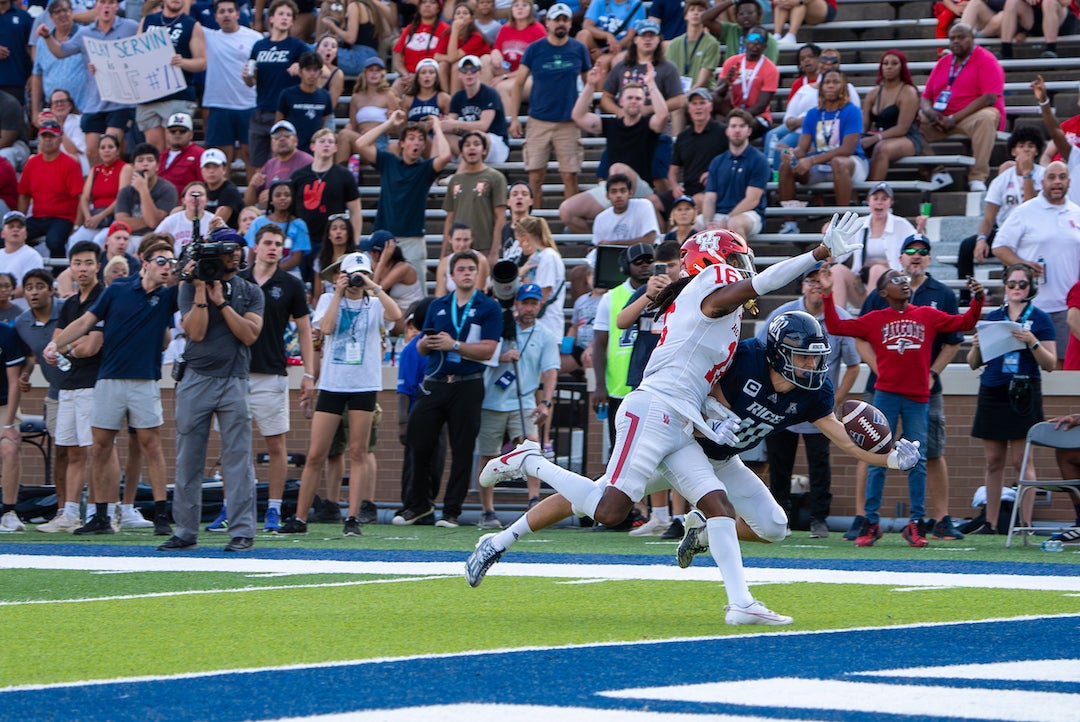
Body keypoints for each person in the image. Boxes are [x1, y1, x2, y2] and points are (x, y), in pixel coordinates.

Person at [468, 219, 892, 624]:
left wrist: (714, 412)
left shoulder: (716, 310)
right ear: (712, 264)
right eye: (737, 261)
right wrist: (818, 253)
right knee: (608, 509)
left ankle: (740, 602)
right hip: (654, 409)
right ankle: (529, 461)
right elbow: (764, 283)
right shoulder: (709, 287)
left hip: (683, 417)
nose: (745, 270)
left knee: (717, 506)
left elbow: (697, 376)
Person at [821, 266, 986, 548]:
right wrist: (827, 294)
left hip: (918, 395)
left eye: (905, 279)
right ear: (883, 292)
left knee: (918, 461)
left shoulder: (927, 314)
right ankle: (871, 522)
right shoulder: (874, 318)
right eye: (895, 280)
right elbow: (836, 327)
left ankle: (916, 523)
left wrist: (978, 299)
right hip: (885, 394)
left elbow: (965, 323)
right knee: (877, 458)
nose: (904, 282)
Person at [43, 239, 179, 536]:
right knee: (100, 446)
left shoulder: (168, 297)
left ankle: (161, 515)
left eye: (172, 262)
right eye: (161, 261)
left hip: (144, 379)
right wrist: (56, 344)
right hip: (109, 379)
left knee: (151, 445)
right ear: (145, 262)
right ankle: (101, 515)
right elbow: (85, 321)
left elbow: (190, 293)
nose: (167, 267)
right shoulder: (117, 290)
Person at [155, 229, 263, 552]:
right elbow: (196, 333)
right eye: (227, 250)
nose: (234, 255)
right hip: (197, 377)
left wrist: (223, 304)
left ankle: (242, 532)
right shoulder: (189, 288)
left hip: (234, 379)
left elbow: (249, 335)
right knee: (188, 457)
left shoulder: (250, 291)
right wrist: (201, 288)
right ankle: (186, 531)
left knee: (238, 459)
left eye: (238, 249)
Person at [280, 252, 401, 535]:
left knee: (358, 451)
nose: (357, 281)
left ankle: (353, 517)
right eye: (353, 275)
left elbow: (396, 316)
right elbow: (326, 327)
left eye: (362, 275)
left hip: (363, 385)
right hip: (333, 385)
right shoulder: (327, 300)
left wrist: (374, 287)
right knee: (315, 454)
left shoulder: (374, 303)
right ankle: (300, 518)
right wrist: (337, 292)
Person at [860, 233, 968, 542]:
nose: (916, 255)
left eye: (923, 251)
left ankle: (938, 518)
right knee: (872, 450)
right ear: (901, 257)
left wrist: (933, 372)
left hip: (924, 388)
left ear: (929, 258)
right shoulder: (884, 289)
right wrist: (879, 368)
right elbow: (860, 334)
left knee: (929, 452)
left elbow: (953, 342)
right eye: (910, 250)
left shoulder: (943, 294)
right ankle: (864, 519)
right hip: (884, 385)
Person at [395, 251, 501, 526]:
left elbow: (489, 349)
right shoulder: (438, 304)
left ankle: (451, 511)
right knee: (419, 441)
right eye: (461, 269)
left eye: (471, 269)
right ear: (451, 276)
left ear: (478, 274)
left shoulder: (488, 306)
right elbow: (420, 345)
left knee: (462, 448)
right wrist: (425, 344)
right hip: (436, 382)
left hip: (468, 384)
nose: (466, 273)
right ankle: (419, 505)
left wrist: (454, 345)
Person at [758, 263, 860, 539]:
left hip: (815, 405)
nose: (815, 285)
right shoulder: (783, 314)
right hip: (782, 404)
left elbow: (854, 365)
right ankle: (781, 518)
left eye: (820, 280)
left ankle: (818, 519)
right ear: (802, 285)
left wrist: (834, 400)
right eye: (810, 280)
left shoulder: (838, 317)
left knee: (820, 465)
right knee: (779, 465)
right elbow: (758, 351)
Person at [967, 263, 1056, 534]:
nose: (1017, 289)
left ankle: (1025, 523)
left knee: (1022, 460)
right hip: (993, 389)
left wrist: (1032, 341)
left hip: (1023, 391)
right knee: (994, 460)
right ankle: (991, 523)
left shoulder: (1040, 319)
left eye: (1022, 284)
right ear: (1004, 286)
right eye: (1012, 284)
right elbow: (974, 363)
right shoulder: (994, 317)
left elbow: (1050, 363)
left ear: (1031, 288)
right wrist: (976, 347)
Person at [238, 224, 315, 532]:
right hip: (237, 373)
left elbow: (306, 330)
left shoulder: (290, 284)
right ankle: (234, 507)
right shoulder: (238, 280)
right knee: (235, 447)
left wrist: (309, 373)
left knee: (276, 445)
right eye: (267, 242)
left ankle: (273, 508)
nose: (272, 248)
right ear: (255, 246)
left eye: (277, 244)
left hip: (271, 372)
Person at [475, 283, 559, 528]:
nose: (529, 308)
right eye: (525, 303)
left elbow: (550, 371)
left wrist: (545, 402)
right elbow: (482, 352)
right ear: (516, 304)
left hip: (523, 399)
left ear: (540, 305)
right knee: (488, 454)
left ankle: (534, 500)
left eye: (534, 303)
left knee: (530, 448)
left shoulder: (544, 334)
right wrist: (501, 357)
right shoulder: (499, 325)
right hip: (492, 399)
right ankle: (487, 510)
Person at [993, 160, 1080, 365]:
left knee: (1060, 368)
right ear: (1042, 181)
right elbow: (999, 247)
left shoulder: (1077, 213)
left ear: (1069, 181)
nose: (1057, 182)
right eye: (1051, 177)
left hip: (1068, 306)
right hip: (1031, 304)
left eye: (1062, 177)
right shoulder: (1025, 211)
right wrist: (1024, 265)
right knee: (1027, 365)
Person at [508, 3, 591, 206]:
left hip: (568, 121)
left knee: (570, 176)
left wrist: (585, 113)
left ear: (571, 23)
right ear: (547, 23)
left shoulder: (579, 48)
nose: (561, 24)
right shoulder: (534, 49)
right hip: (538, 120)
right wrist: (514, 119)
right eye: (557, 20)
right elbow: (518, 84)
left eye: (565, 20)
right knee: (535, 176)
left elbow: (590, 83)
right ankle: (533, 223)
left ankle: (569, 229)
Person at [37, 0, 138, 168]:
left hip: (120, 101)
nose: (106, 6)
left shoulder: (131, 27)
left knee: (110, 145)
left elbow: (144, 50)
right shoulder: (85, 34)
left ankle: (115, 187)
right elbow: (61, 51)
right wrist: (47, 37)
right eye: (103, 2)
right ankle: (97, 187)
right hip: (94, 103)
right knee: (91, 151)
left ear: (116, 7)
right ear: (96, 7)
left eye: (111, 3)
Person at [356, 110, 451, 283]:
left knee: (416, 290)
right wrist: (389, 124)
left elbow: (445, 156)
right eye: (412, 138)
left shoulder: (425, 169)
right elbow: (360, 144)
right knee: (376, 289)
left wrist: (437, 127)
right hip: (383, 238)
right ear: (402, 143)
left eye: (421, 139)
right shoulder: (388, 161)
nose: (416, 142)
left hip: (412, 239)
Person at [14, 268, 71, 532]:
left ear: (51, 289)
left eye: (39, 286)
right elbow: (28, 356)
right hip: (55, 394)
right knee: (61, 450)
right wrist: (25, 374)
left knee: (92, 450)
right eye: (29, 287)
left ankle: (100, 509)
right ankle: (62, 511)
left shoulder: (69, 310)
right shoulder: (22, 323)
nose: (34, 292)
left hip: (86, 389)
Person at [957, 126, 1045, 292]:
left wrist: (1027, 175)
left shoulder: (1043, 175)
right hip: (1005, 230)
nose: (1026, 149)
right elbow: (989, 218)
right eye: (1021, 145)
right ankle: (967, 295)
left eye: (1030, 146)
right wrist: (982, 238)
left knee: (1009, 252)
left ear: (1036, 151)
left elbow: (1032, 209)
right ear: (1013, 151)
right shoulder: (1002, 179)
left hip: (1033, 231)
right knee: (967, 247)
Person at [918, 23, 1004, 193]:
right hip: (940, 120)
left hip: (970, 118)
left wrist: (953, 119)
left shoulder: (986, 60)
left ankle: (977, 177)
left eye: (961, 37)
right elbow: (925, 97)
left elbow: (989, 97)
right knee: (911, 122)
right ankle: (937, 171)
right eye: (952, 38)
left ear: (972, 38)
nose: (956, 41)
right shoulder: (944, 62)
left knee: (988, 116)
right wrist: (930, 113)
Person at [779, 69, 867, 213]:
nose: (830, 86)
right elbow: (802, 149)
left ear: (843, 86)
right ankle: (790, 224)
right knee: (785, 166)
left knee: (838, 161)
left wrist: (812, 160)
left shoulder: (852, 111)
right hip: (820, 166)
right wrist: (791, 154)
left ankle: (841, 221)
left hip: (852, 163)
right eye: (827, 82)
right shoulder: (813, 114)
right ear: (821, 88)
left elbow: (847, 149)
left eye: (835, 82)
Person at [829, 182, 920, 312]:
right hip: (860, 284)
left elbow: (916, 247)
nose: (879, 203)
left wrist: (921, 229)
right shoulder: (859, 224)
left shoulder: (901, 224)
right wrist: (831, 239)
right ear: (868, 202)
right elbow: (838, 256)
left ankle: (869, 318)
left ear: (890, 203)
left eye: (884, 199)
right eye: (875, 199)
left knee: (877, 270)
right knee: (837, 270)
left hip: (891, 287)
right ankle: (837, 322)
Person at [245, 0, 308, 171]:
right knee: (257, 165)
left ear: (293, 21)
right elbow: (251, 81)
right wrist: (247, 77)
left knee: (280, 164)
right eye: (281, 14)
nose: (285, 18)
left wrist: (301, 67)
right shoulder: (259, 46)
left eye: (289, 15)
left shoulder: (297, 46)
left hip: (285, 112)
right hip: (261, 109)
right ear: (271, 19)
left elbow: (319, 70)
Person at [137, 0, 206, 153]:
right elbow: (134, 55)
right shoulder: (148, 21)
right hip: (150, 95)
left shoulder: (192, 25)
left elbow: (201, 62)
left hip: (177, 94)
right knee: (153, 151)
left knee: (175, 149)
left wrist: (183, 62)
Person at [291, 129, 363, 272]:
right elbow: (291, 210)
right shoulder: (298, 176)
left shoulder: (344, 176)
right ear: (312, 146)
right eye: (322, 141)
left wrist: (354, 242)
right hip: (302, 240)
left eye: (330, 142)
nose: (326, 145)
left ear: (335, 148)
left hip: (332, 241)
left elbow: (355, 211)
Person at [202, 0, 261, 168]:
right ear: (216, 17)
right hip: (219, 105)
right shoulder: (208, 37)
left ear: (238, 14)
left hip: (248, 105)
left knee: (252, 159)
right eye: (221, 11)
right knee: (220, 160)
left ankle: (253, 195)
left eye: (229, 11)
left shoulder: (255, 38)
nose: (226, 14)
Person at [17, 115, 83, 259]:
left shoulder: (70, 164)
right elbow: (24, 194)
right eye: (44, 136)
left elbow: (80, 196)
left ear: (59, 139)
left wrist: (76, 226)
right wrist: (19, 220)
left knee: (54, 241)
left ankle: (58, 273)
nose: (47, 140)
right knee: (11, 237)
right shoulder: (32, 163)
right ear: (39, 139)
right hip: (37, 217)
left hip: (62, 218)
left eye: (51, 137)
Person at [701, 108, 769, 240]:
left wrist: (727, 219)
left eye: (741, 126)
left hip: (749, 214)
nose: (737, 130)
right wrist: (707, 223)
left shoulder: (759, 160)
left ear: (749, 131)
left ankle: (739, 261)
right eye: (733, 126)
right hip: (719, 214)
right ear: (727, 131)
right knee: (689, 226)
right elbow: (709, 198)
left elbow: (752, 200)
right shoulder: (717, 161)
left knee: (734, 225)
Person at [441, 130, 507, 264]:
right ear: (461, 152)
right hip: (457, 248)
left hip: (484, 247)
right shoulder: (455, 180)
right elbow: (449, 218)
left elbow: (500, 217)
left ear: (484, 151)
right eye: (467, 145)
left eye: (476, 144)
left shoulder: (495, 177)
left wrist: (494, 252)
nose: (472, 147)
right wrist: (444, 252)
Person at [860, 50, 922, 183]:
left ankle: (872, 195)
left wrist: (876, 138)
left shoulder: (908, 92)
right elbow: (863, 126)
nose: (889, 67)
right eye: (885, 63)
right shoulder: (873, 93)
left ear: (902, 67)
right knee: (850, 146)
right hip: (878, 135)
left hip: (906, 138)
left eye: (894, 63)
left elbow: (902, 128)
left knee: (881, 148)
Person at [666, 88, 728, 210]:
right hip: (687, 191)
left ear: (710, 106)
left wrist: (714, 173)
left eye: (702, 103)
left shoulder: (723, 132)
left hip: (713, 191)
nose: (698, 107)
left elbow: (733, 160)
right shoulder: (683, 137)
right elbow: (673, 171)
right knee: (652, 202)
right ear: (689, 109)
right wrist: (674, 187)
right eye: (694, 104)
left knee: (693, 203)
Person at [442, 55, 511, 165]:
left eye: (473, 70)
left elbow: (483, 126)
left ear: (480, 72)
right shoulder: (458, 97)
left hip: (496, 145)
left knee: (476, 136)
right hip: (471, 144)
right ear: (459, 74)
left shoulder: (490, 93)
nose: (469, 73)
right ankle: (433, 179)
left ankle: (460, 174)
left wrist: (454, 124)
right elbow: (449, 125)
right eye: (464, 70)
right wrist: (439, 124)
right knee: (441, 136)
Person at [30, 1, 88, 128]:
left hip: (84, 111)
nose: (62, 15)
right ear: (51, 17)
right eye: (57, 12)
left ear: (72, 12)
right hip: (54, 113)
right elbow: (37, 77)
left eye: (65, 10)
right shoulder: (42, 42)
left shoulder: (86, 35)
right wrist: (35, 113)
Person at [713, 26, 778, 138]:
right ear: (746, 42)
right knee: (712, 104)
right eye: (752, 39)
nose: (755, 44)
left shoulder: (771, 69)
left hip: (757, 116)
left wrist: (737, 118)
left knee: (738, 130)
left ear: (765, 46)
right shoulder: (732, 61)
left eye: (760, 41)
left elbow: (761, 106)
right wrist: (727, 82)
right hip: (731, 111)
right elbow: (718, 94)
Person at [113, 143, 180, 250]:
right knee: (102, 241)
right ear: (133, 167)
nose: (145, 164)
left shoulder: (167, 189)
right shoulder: (126, 191)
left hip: (156, 237)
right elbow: (122, 223)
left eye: (150, 160)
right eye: (140, 160)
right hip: (129, 237)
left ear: (157, 166)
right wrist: (148, 220)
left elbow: (153, 223)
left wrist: (143, 190)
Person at [334, 57, 399, 162]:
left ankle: (339, 175)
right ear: (365, 73)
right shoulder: (356, 97)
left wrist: (379, 127)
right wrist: (348, 128)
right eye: (371, 70)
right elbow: (353, 125)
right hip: (360, 139)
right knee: (341, 135)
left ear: (382, 74)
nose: (374, 74)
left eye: (377, 70)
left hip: (379, 143)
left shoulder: (388, 95)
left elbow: (396, 128)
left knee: (345, 134)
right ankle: (341, 174)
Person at [513, 216, 566, 344]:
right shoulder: (536, 258)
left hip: (547, 326)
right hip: (534, 329)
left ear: (525, 238)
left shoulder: (549, 257)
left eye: (518, 240)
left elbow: (541, 295)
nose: (519, 245)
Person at [244, 179, 310, 278]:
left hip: (289, 274)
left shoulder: (299, 225)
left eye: (287, 195)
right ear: (271, 200)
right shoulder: (258, 222)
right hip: (259, 272)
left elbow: (296, 259)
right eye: (278, 195)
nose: (283, 198)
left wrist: (272, 272)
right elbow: (252, 254)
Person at [490, 0, 545, 113]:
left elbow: (533, 67)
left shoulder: (538, 30)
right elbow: (497, 48)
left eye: (524, 5)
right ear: (511, 9)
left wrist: (505, 77)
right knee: (485, 60)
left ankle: (508, 126)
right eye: (516, 5)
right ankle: (484, 108)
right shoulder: (505, 28)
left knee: (501, 87)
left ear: (530, 9)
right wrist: (494, 52)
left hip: (530, 77)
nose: (520, 8)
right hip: (509, 71)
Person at [363, 230, 424, 332]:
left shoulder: (403, 268)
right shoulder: (375, 264)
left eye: (372, 251)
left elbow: (375, 291)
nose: (369, 254)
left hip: (409, 315)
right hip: (393, 312)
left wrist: (382, 262)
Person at [276, 51, 335, 155]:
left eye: (315, 70)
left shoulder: (325, 96)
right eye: (308, 69)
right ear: (300, 72)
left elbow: (323, 126)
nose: (312, 73)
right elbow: (279, 125)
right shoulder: (287, 94)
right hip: (292, 152)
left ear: (320, 73)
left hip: (315, 153)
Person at [244, 121, 312, 209]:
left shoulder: (307, 161)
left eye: (287, 135)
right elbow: (249, 202)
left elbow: (312, 195)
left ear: (296, 140)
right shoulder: (269, 165)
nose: (282, 139)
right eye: (276, 137)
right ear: (272, 144)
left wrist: (275, 195)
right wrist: (252, 185)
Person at [0, 292, 24, 532]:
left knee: (9, 447)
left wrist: (8, 425)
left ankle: (8, 511)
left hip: (4, 405)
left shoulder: (6, 333)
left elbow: (15, 381)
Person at [433, 1, 492, 93]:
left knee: (457, 65)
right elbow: (436, 56)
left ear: (472, 18)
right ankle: (445, 98)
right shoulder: (446, 34)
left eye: (465, 13)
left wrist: (455, 30)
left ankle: (454, 98)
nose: (461, 16)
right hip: (461, 64)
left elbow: (453, 58)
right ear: (453, 18)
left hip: (479, 66)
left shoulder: (476, 37)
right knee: (442, 65)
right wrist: (454, 32)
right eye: (458, 13)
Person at [317, 0, 385, 75]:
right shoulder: (371, 7)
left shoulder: (355, 6)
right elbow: (386, 32)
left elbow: (350, 38)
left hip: (359, 59)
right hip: (371, 57)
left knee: (315, 49)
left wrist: (333, 26)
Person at [590, 174, 660, 247]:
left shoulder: (644, 205)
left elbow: (649, 240)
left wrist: (612, 244)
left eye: (623, 191)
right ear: (607, 196)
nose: (619, 195)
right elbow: (597, 246)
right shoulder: (600, 218)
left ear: (630, 193)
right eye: (614, 192)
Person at [999, 0, 1079, 58]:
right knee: (1011, 2)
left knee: (1048, 2)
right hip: (1036, 20)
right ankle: (1006, 50)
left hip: (1062, 20)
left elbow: (1065, 2)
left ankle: (1051, 50)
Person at [155, 181, 213, 256]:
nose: (196, 198)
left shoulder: (213, 220)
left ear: (206, 201)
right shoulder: (171, 221)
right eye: (191, 194)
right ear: (183, 200)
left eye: (200, 194)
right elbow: (154, 240)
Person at [392, 0, 449, 75]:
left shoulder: (445, 30)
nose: (427, 5)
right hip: (408, 76)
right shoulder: (409, 29)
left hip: (432, 77)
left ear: (438, 9)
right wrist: (406, 75)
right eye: (423, 2)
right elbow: (398, 59)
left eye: (432, 2)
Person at [0, 212, 45, 306]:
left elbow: (31, 284)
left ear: (26, 234)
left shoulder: (32, 256)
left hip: (20, 313)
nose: (15, 229)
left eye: (20, 227)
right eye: (11, 226)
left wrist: (7, 297)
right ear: (2, 233)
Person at [156, 113, 204, 197]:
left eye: (182, 131)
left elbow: (203, 185)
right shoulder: (161, 156)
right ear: (167, 133)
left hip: (186, 205)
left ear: (190, 134)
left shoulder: (199, 154)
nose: (177, 134)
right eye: (173, 131)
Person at [435, 223, 489, 296]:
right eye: (458, 239)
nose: (462, 244)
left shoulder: (480, 261)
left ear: (471, 240)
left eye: (466, 240)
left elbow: (476, 294)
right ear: (450, 239)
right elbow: (439, 296)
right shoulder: (444, 262)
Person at [200, 148, 245, 229]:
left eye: (215, 167)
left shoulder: (229, 191)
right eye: (207, 167)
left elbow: (217, 223)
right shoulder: (202, 188)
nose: (211, 171)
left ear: (224, 169)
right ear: (201, 170)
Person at [772, 0, 836, 47]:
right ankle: (777, 35)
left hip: (817, 7)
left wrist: (799, 1)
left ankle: (791, 35)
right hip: (791, 10)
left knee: (799, 4)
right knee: (781, 3)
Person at [314, 34, 345, 111]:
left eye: (333, 47)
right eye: (325, 45)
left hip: (325, 116)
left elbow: (331, 106)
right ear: (317, 49)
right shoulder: (306, 69)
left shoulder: (337, 74)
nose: (329, 49)